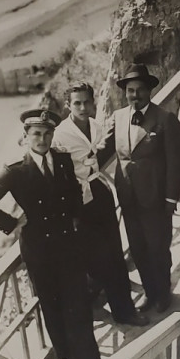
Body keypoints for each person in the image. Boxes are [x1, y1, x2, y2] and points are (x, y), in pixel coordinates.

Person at [0, 109, 101, 359]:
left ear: (53, 135)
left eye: (47, 134)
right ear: (26, 137)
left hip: (67, 242)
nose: (42, 139)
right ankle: (68, 358)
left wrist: (77, 216)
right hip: (39, 249)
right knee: (52, 305)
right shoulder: (15, 170)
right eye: (36, 134)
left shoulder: (63, 160)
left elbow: (75, 190)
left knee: (77, 300)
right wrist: (12, 223)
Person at [52, 82, 149, 327]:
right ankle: (98, 312)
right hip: (79, 199)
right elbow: (59, 175)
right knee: (96, 259)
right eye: (77, 103)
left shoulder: (97, 126)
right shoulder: (60, 135)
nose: (83, 107)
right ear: (68, 106)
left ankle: (125, 311)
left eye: (87, 102)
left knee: (115, 252)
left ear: (93, 102)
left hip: (100, 192)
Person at [98, 63, 180, 313]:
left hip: (155, 197)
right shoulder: (119, 116)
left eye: (139, 90)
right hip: (128, 196)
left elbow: (175, 162)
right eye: (130, 91)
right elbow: (103, 151)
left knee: (158, 247)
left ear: (149, 91)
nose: (135, 95)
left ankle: (163, 292)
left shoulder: (165, 119)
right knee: (138, 248)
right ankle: (150, 291)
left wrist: (171, 198)